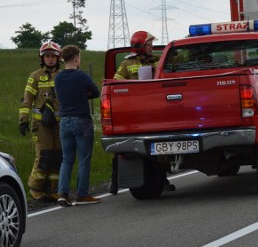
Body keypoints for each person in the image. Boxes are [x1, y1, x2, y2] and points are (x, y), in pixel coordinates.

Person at [110, 30, 168, 194]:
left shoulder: (158, 60)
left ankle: (162, 180)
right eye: (149, 44)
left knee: (160, 147)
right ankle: (114, 181)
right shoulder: (126, 64)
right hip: (135, 111)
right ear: (139, 46)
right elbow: (116, 84)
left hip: (155, 109)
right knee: (123, 149)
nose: (152, 47)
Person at [54, 45, 101, 206]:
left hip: (64, 121)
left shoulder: (58, 78)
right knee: (83, 159)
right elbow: (96, 92)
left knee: (66, 159)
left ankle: (62, 193)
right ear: (76, 58)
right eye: (79, 57)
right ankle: (82, 194)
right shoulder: (81, 76)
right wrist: (83, 94)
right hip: (81, 120)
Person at [18, 41, 63, 202]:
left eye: (53, 56)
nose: (50, 59)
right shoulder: (35, 76)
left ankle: (52, 190)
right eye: (47, 56)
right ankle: (35, 189)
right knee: (44, 156)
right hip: (41, 126)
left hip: (59, 125)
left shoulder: (63, 75)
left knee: (57, 156)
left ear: (58, 58)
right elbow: (27, 100)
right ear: (42, 58)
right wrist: (23, 120)